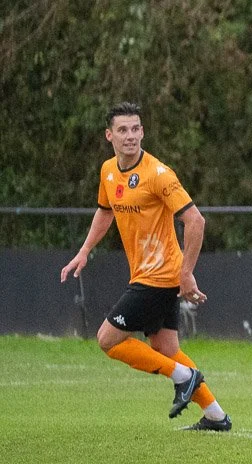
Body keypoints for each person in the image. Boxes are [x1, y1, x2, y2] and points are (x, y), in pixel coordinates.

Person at [59, 102, 230, 431]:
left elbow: (195, 221)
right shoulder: (108, 171)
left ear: (143, 132)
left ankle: (185, 377)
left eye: (136, 128)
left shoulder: (158, 174)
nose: (130, 136)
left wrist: (186, 273)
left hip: (161, 276)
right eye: (123, 130)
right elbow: (105, 210)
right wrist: (84, 251)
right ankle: (216, 416)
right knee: (165, 348)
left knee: (108, 339)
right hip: (146, 274)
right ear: (109, 135)